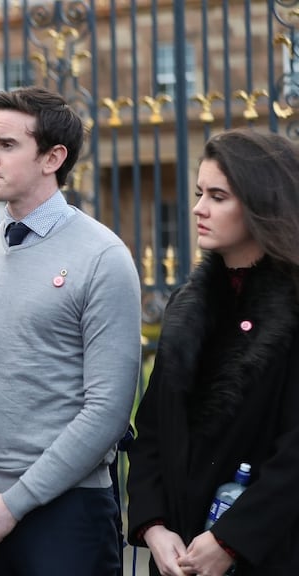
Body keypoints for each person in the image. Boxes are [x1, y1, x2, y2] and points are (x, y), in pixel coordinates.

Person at [0, 86, 142, 575]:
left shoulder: (102, 258)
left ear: (53, 157)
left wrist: (14, 504)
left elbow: (108, 409)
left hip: (67, 516)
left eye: (6, 145)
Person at [126, 129, 299, 576]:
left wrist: (230, 540)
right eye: (200, 193)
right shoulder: (188, 304)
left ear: (263, 202)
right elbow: (151, 431)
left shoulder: (294, 304)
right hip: (178, 556)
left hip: (270, 553)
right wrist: (153, 526)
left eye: (218, 196)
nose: (198, 208)